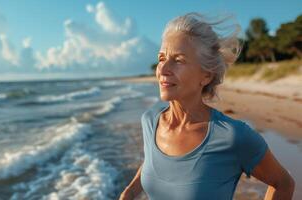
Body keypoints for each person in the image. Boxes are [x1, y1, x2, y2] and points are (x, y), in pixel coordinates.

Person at [119, 13, 295, 200]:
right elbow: (152, 162)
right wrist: (128, 193)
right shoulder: (150, 120)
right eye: (162, 58)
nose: (162, 69)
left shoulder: (233, 136)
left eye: (178, 60)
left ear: (206, 76)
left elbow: (283, 184)